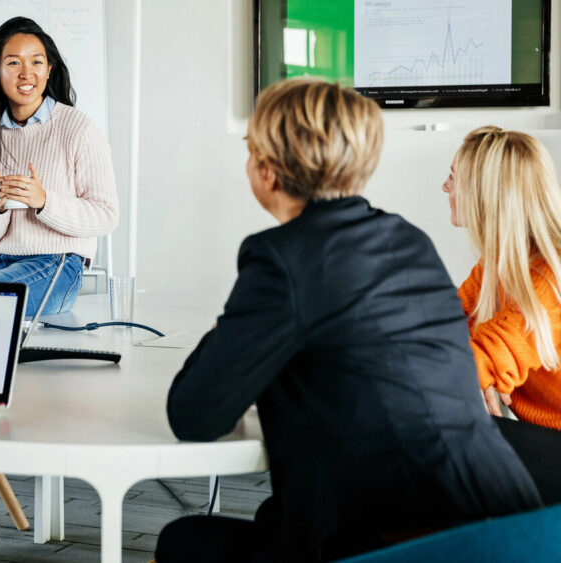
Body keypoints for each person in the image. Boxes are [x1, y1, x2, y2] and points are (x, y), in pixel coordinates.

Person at [157, 79, 540, 563]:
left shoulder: (280, 259)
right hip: (508, 521)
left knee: (182, 542)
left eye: (250, 149)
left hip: (395, 540)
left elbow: (193, 414)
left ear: (267, 170)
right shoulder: (409, 240)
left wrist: (224, 334)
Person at [0, 16, 119, 558]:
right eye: (13, 62)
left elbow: (106, 215)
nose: (25, 72)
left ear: (50, 68)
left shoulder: (77, 127)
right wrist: (0, 203)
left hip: (58, 265)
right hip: (4, 263)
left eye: (36, 61)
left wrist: (41, 200)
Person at [443, 126, 561, 503]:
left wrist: (478, 374)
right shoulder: (496, 270)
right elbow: (442, 327)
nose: (445, 188)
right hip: (547, 441)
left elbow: (466, 365)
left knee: (447, 433)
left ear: (484, 194)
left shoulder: (549, 280)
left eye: (452, 177)